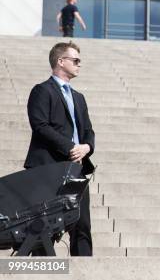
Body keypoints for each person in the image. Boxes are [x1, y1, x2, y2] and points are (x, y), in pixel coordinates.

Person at [25, 41, 95, 256]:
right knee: (43, 226)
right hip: (47, 167)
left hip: (75, 169)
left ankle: (86, 271)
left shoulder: (79, 97)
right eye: (75, 60)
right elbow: (40, 125)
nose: (79, 64)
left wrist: (86, 147)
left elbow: (89, 131)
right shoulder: (42, 91)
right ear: (60, 61)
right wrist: (71, 147)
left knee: (82, 225)